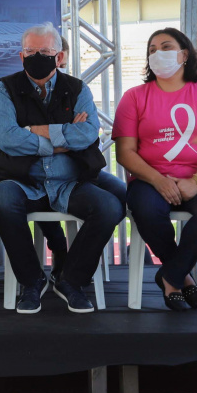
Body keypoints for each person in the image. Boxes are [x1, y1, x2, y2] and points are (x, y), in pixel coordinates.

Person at [0, 22, 122, 314]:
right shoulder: (4, 89)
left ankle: (70, 280)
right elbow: (7, 138)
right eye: (30, 52)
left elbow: (88, 133)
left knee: (110, 207)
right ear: (21, 56)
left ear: (59, 56)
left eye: (45, 52)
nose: (37, 57)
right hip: (24, 179)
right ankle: (31, 281)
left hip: (68, 181)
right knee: (1, 199)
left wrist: (33, 131)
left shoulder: (77, 88)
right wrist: (61, 139)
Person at [113, 28, 197, 311]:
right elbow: (125, 152)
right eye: (152, 50)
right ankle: (180, 277)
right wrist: (158, 180)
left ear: (184, 54)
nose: (158, 53)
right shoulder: (134, 97)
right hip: (148, 179)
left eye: (166, 47)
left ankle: (170, 276)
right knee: (146, 210)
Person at [34, 37, 128, 282]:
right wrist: (67, 133)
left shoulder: (76, 89)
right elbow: (25, 139)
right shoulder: (26, 90)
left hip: (83, 167)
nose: (55, 61)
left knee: (124, 197)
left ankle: (77, 257)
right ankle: (60, 248)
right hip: (44, 172)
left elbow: (87, 135)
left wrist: (61, 136)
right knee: (47, 191)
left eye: (55, 54)